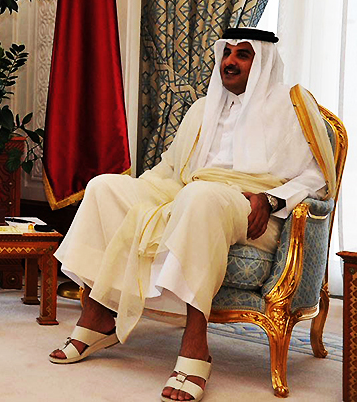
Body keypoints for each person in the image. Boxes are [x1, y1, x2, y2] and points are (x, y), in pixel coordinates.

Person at [47, 27, 335, 402]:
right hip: (191, 191)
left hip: (252, 209)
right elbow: (170, 169)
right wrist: (143, 199)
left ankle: (196, 341)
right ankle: (98, 312)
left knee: (199, 197)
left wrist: (271, 198)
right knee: (105, 187)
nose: (229, 62)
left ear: (262, 63)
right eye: (226, 53)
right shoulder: (203, 108)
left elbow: (316, 177)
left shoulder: (290, 110)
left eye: (243, 55)